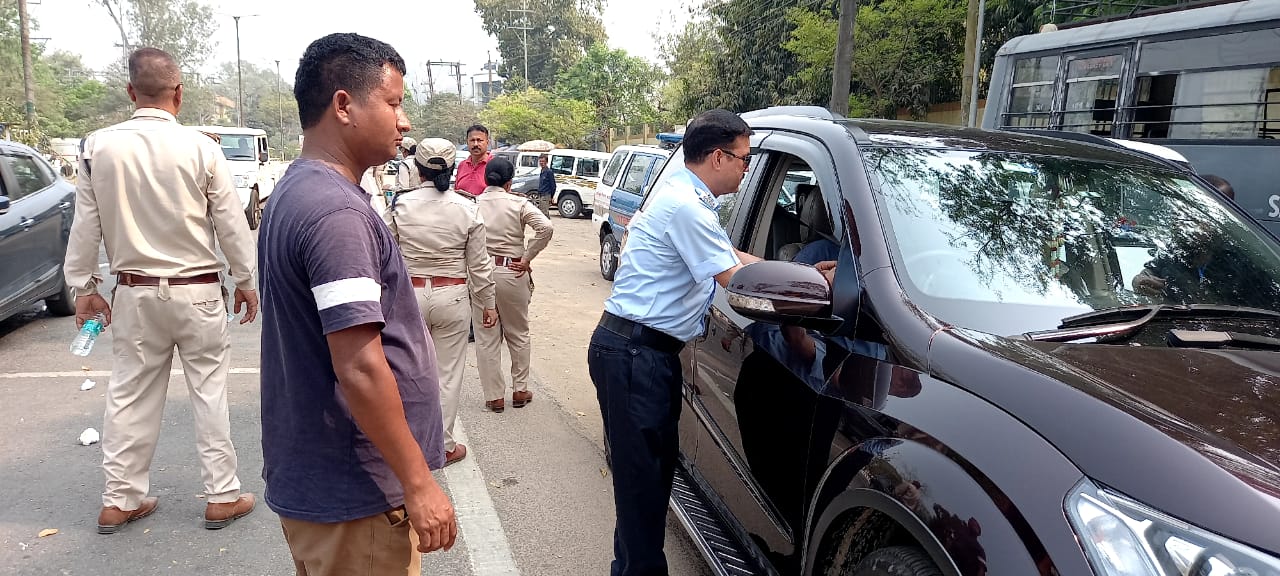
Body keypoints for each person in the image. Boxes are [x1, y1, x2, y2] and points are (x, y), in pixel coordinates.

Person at [257, 33, 457, 574]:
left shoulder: (299, 191)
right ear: (344, 105)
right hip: (356, 493)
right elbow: (360, 364)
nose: (405, 121)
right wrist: (418, 483)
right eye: (393, 103)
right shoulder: (334, 213)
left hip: (331, 484)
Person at [61, 47, 259, 534]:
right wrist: (245, 281)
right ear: (179, 94)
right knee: (209, 392)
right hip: (199, 292)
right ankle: (222, 495)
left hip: (134, 292)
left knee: (128, 394)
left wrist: (83, 287)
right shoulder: (202, 147)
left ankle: (120, 500)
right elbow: (232, 225)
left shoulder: (98, 147)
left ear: (131, 92)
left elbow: (85, 226)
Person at [587, 108, 763, 576]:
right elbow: (734, 276)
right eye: (744, 159)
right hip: (635, 355)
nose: (747, 169)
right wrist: (805, 285)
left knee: (646, 487)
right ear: (719, 157)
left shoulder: (689, 199)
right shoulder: (686, 205)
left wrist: (806, 271)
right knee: (643, 492)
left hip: (644, 354)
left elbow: (731, 254)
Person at [383, 137, 499, 464]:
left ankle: (405, 445)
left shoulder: (399, 204)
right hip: (453, 295)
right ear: (452, 168)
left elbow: (382, 255)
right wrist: (487, 305)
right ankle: (443, 446)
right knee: (447, 375)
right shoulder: (467, 206)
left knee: (405, 371)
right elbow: (479, 265)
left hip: (408, 296)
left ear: (417, 168)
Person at [475, 157, 554, 412]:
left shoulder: (472, 204)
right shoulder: (519, 203)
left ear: (486, 179)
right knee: (518, 332)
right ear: (510, 183)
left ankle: (494, 397)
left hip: (481, 273)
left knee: (487, 336)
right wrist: (527, 257)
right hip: (512, 271)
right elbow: (546, 228)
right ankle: (520, 390)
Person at [454, 124, 492, 196]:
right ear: (467, 142)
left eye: (479, 140)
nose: (475, 144)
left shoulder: (494, 165)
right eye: (472, 140)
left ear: (487, 142)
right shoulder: (462, 165)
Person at [536, 153, 555, 218]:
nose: (541, 163)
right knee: (541, 212)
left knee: (544, 213)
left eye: (543, 161)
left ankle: (548, 226)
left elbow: (553, 186)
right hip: (541, 195)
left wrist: (551, 196)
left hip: (546, 195)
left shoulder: (549, 172)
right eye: (540, 161)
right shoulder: (542, 171)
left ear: (546, 162)